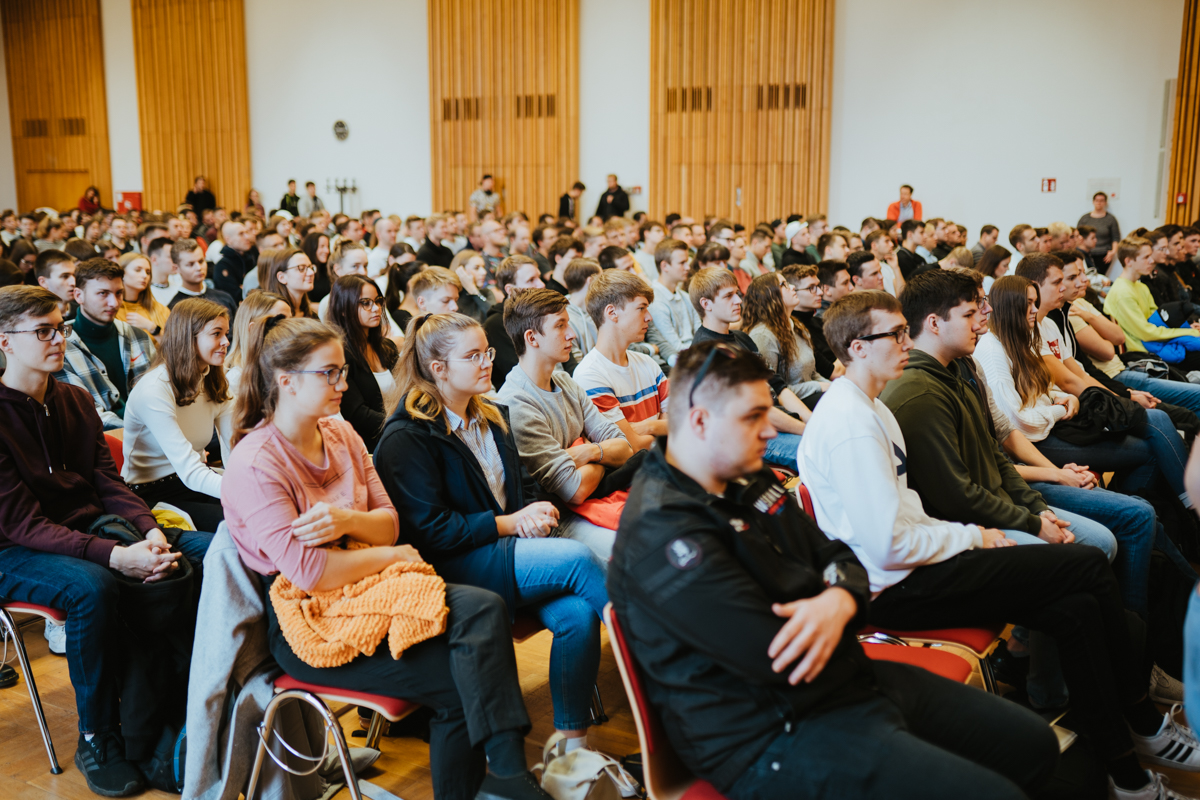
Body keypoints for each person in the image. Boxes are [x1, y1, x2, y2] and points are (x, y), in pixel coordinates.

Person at [610, 340, 1063, 800]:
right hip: (769, 734)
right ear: (700, 421)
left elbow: (840, 557)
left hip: (843, 677)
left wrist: (837, 600)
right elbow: (778, 656)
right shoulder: (663, 532)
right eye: (752, 417)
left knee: (1034, 747)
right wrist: (841, 593)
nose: (769, 431)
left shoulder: (745, 475)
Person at [801, 290, 1200, 797]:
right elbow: (886, 546)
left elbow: (910, 510)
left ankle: (1126, 770)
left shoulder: (871, 405)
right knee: (1086, 565)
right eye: (895, 334)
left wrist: (981, 534)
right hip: (896, 587)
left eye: (906, 331)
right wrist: (976, 537)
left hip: (918, 561)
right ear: (857, 348)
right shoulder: (853, 422)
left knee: (1076, 606)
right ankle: (1140, 721)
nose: (907, 342)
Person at [221, 314, 552, 800]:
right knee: (460, 679)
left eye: (343, 371)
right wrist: (390, 553)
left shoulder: (341, 434)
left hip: (372, 588)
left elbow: (389, 522)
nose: (342, 383)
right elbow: (312, 572)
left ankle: (504, 774)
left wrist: (349, 524)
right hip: (310, 621)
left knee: (486, 607)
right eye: (328, 373)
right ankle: (502, 778)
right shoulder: (256, 462)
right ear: (286, 382)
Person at [0, 285, 205, 798]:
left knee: (207, 550)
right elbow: (21, 524)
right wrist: (117, 555)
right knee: (92, 587)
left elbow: (109, 483)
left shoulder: (73, 398)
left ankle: (189, 707)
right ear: (5, 341)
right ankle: (97, 736)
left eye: (60, 328)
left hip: (90, 529)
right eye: (42, 331)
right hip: (14, 549)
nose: (57, 339)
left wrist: (150, 531)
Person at [1016, 253, 1194, 505]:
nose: (1067, 287)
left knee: (1160, 419)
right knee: (1157, 425)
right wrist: (1122, 401)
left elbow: (1081, 373)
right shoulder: (1028, 330)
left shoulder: (1050, 325)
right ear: (1033, 285)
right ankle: (1187, 502)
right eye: (1059, 282)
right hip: (1055, 422)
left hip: (1073, 407)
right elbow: (1069, 382)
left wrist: (1122, 398)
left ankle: (1177, 505)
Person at [497, 289, 634, 512]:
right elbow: (574, 490)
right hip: (561, 516)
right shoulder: (516, 402)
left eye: (568, 324)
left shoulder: (565, 381)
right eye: (560, 325)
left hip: (600, 501)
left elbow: (625, 448)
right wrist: (602, 455)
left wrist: (587, 452)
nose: (572, 334)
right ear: (532, 338)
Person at [121, 298, 232, 533]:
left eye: (226, 333)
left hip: (191, 481)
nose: (226, 342)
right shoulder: (155, 389)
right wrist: (246, 494)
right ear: (187, 337)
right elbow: (191, 472)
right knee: (237, 523)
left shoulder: (214, 380)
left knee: (267, 512)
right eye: (216, 334)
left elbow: (235, 449)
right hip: (149, 494)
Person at [55, 258, 156, 430]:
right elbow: (86, 414)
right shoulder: (59, 344)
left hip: (154, 434)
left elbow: (161, 393)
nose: (114, 303)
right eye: (103, 293)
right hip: (103, 444)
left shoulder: (139, 337)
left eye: (118, 293)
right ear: (78, 295)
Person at [572, 270, 667, 452]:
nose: (649, 317)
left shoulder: (648, 363)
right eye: (641, 308)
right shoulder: (590, 375)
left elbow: (679, 425)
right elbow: (631, 447)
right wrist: (665, 432)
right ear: (612, 312)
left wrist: (649, 427)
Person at [327, 275, 398, 451]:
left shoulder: (386, 347)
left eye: (378, 301)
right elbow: (358, 414)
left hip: (398, 433)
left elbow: (408, 389)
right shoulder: (340, 354)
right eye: (365, 303)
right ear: (344, 308)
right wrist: (404, 423)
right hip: (371, 445)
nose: (376, 308)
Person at [1105, 235, 1200, 368]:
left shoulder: (1140, 286)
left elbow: (1159, 320)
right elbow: (1147, 333)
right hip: (1145, 353)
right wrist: (1189, 332)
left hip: (1159, 345)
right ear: (1128, 261)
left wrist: (1187, 328)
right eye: (1145, 257)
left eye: (1150, 256)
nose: (1151, 261)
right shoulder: (1122, 293)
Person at [744, 272, 828, 409]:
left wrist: (832, 386)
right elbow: (773, 389)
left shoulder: (797, 326)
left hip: (812, 395)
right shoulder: (763, 336)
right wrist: (819, 386)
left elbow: (812, 373)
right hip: (790, 405)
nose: (793, 287)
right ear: (770, 295)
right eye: (784, 284)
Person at [484, 255, 547, 388]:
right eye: (531, 280)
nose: (541, 285)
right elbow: (521, 374)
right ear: (510, 290)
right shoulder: (495, 325)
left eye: (539, 277)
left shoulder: (542, 314)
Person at [224, 290, 291, 398]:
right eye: (280, 322)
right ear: (253, 329)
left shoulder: (290, 366)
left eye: (291, 320)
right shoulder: (236, 379)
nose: (291, 328)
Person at [647, 238, 699, 366]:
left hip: (696, 356)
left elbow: (700, 334)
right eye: (682, 263)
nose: (687, 267)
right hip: (682, 363)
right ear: (664, 266)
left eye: (687, 262)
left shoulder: (686, 296)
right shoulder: (655, 300)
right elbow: (674, 346)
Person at [167, 238, 237, 320]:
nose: (198, 268)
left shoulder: (225, 298)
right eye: (190, 264)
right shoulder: (175, 309)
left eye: (201, 261)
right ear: (176, 268)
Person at [115, 252, 170, 341]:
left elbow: (175, 347)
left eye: (148, 272)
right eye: (138, 270)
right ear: (122, 273)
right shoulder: (112, 310)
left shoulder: (160, 309)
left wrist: (152, 328)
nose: (145, 276)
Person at [262, 246, 316, 319]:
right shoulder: (275, 317)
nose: (311, 272)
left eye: (311, 267)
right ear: (282, 277)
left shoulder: (310, 313)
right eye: (301, 268)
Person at [1080, 191, 1121, 269]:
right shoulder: (1085, 218)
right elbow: (1078, 236)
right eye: (1097, 200)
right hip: (1087, 253)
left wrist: (1113, 252)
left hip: (1103, 254)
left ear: (1105, 202)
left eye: (1101, 200)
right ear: (1093, 202)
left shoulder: (1110, 219)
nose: (1099, 203)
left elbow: (1115, 237)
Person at [450, 249, 490, 324]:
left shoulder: (487, 293)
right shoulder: (454, 299)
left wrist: (473, 290)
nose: (484, 272)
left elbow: (492, 314)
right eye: (476, 268)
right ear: (461, 271)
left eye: (483, 267)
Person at [34, 249, 77, 315]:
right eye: (64, 276)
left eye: (74, 275)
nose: (73, 283)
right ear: (43, 282)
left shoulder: (82, 310)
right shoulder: (36, 317)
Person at [302, 230, 332, 303]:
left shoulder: (328, 268)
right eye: (322, 246)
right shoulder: (304, 271)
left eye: (327, 246)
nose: (326, 250)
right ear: (311, 248)